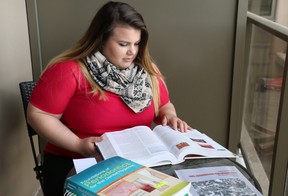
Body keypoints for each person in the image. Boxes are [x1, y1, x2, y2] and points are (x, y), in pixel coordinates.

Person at [27, 1, 192, 195]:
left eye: (137, 43)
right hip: (78, 160)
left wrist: (170, 116)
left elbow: (164, 106)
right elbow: (38, 114)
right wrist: (77, 145)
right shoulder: (69, 71)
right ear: (101, 40)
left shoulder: (147, 72)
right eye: (123, 44)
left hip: (136, 162)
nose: (132, 51)